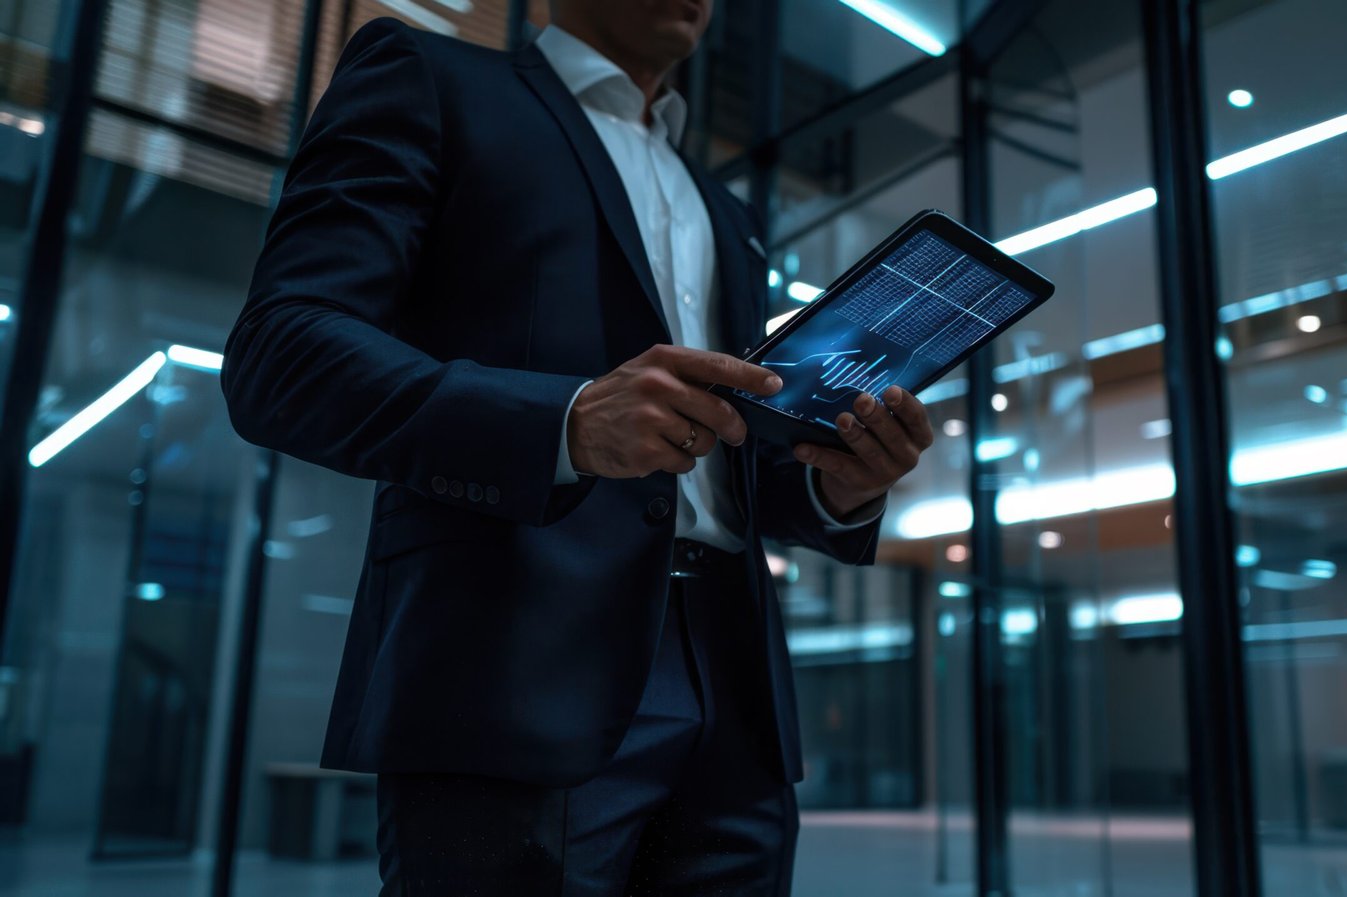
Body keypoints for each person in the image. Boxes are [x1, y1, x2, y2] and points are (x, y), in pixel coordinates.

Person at [220, 1, 935, 893]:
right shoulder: (431, 80)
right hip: (510, 664)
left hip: (737, 686)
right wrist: (561, 423)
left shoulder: (725, 208)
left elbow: (723, 465)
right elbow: (281, 353)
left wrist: (843, 486)